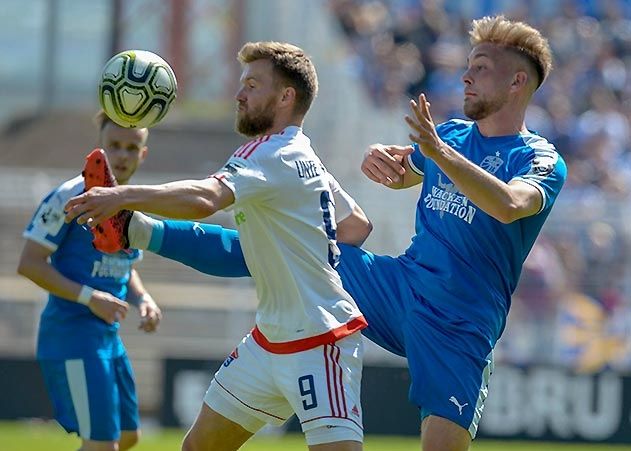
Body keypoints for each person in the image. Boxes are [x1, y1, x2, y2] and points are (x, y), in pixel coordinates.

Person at [73, 15, 567, 451]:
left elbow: (508, 205)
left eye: (481, 67)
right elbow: (403, 177)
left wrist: (436, 155)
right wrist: (392, 163)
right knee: (292, 246)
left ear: (518, 81)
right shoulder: (454, 136)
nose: (466, 74)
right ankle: (138, 230)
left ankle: (137, 226)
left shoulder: (538, 157)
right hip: (400, 287)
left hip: (460, 322)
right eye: (469, 63)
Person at [66, 42, 373, 451]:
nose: (238, 94)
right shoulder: (303, 156)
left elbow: (204, 200)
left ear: (286, 97)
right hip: (268, 341)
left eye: (251, 84)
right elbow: (356, 226)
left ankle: (133, 226)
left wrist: (122, 197)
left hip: (320, 342)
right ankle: (135, 229)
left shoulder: (268, 153)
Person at [17, 111, 162, 451]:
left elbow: (126, 264)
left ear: (143, 153)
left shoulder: (132, 202)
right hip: (72, 335)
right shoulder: (70, 196)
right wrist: (89, 297)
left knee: (128, 437)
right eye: (114, 146)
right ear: (99, 147)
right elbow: (29, 263)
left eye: (131, 147)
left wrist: (144, 299)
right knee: (101, 445)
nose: (122, 155)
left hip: (107, 338)